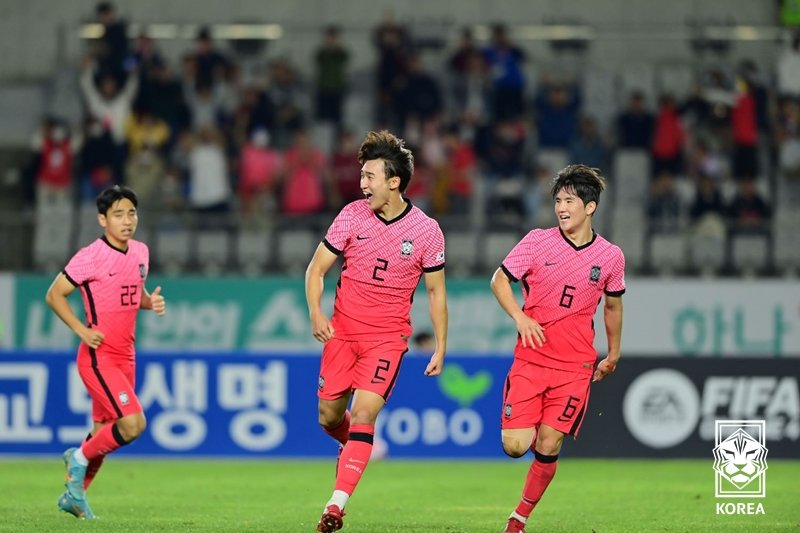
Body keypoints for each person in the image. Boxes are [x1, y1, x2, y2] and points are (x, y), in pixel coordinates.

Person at [305, 130, 448, 533]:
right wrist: (316, 313)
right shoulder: (351, 215)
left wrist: (440, 345)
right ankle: (354, 446)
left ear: (394, 182)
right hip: (342, 336)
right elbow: (316, 269)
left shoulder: (426, 231)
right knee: (329, 417)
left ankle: (336, 505)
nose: (362, 183)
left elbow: (436, 292)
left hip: (386, 340)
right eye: (362, 175)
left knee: (365, 413)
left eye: (370, 176)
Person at [489, 164, 624, 533]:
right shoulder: (536, 241)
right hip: (532, 360)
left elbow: (613, 307)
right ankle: (526, 434)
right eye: (558, 201)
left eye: (569, 200)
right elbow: (499, 280)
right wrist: (520, 317)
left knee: (549, 445)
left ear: (590, 206)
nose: (562, 207)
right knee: (516, 446)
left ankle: (519, 519)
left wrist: (612, 353)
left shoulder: (611, 256)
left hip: (574, 367)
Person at [45, 185, 166, 519]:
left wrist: (149, 302)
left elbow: (132, 294)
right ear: (102, 219)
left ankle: (75, 495)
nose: (127, 221)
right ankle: (78, 457)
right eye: (118, 214)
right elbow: (54, 295)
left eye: (131, 213)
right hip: (99, 357)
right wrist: (82, 330)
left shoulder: (140, 252)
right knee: (133, 424)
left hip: (127, 355)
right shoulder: (90, 257)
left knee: (104, 434)